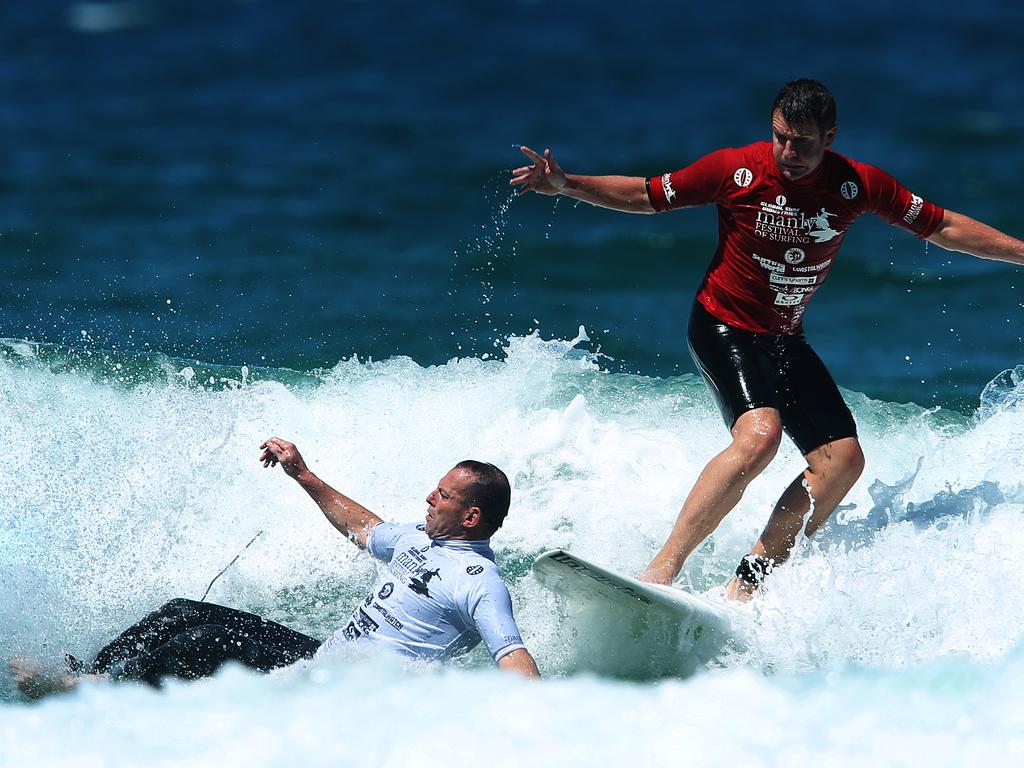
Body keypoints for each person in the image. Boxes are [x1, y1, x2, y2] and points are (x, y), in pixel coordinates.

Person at [510, 78, 1024, 600]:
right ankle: (661, 572)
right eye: (781, 137)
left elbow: (943, 226)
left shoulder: (857, 184)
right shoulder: (736, 170)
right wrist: (568, 183)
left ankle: (746, 586)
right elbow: (647, 195)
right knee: (760, 437)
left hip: (783, 337)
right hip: (722, 324)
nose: (789, 152)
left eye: (803, 141)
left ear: (830, 136)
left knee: (843, 462)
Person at [10, 438, 540, 698]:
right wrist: (301, 473)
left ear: (471, 515)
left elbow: (513, 656)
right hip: (323, 658)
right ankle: (90, 675)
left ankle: (97, 694)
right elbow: (362, 526)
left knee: (201, 644)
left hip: (344, 691)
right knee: (183, 612)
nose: (429, 496)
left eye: (442, 495)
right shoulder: (420, 539)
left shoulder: (478, 582)